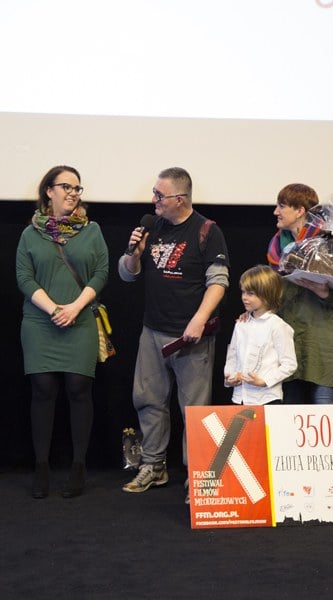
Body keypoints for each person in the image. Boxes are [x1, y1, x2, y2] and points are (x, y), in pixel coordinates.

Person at [118, 167, 229, 498]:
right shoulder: (152, 227)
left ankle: (197, 476)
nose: (153, 200)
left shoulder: (207, 230)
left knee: (194, 410)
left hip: (190, 337)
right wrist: (134, 253)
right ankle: (153, 465)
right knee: (148, 400)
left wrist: (199, 319)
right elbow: (127, 275)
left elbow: (219, 282)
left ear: (179, 199)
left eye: (159, 195)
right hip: (152, 331)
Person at [16, 165, 109, 498]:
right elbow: (24, 278)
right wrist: (54, 310)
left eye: (77, 188)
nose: (73, 193)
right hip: (40, 321)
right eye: (66, 187)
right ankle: (41, 467)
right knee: (42, 390)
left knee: (79, 388)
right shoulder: (30, 234)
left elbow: (101, 273)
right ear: (49, 191)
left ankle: (78, 466)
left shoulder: (92, 230)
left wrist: (74, 308)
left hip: (80, 319)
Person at [267, 183, 333, 404]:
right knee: (290, 417)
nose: (275, 212)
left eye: (282, 206)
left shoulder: (331, 242)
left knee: (324, 414)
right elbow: (270, 292)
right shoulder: (277, 247)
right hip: (288, 342)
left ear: (300, 210)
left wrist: (324, 291)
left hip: (323, 343)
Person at [224, 265, 297, 405]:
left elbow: (289, 364)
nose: (244, 297)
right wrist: (230, 377)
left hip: (267, 398)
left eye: (250, 293)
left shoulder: (278, 326)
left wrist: (264, 381)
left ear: (267, 294)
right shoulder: (241, 323)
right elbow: (232, 355)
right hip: (240, 398)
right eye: (243, 292)